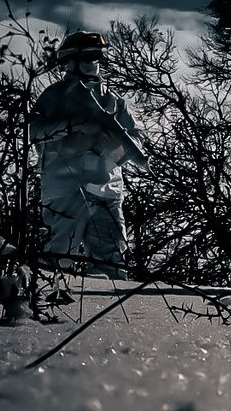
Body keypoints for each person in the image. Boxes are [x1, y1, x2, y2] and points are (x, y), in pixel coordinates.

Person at [29, 31, 147, 277]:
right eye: (88, 56)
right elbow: (34, 131)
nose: (94, 62)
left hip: (106, 190)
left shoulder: (115, 102)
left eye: (98, 56)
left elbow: (137, 141)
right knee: (57, 260)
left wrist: (113, 146)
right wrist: (69, 126)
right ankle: (51, 309)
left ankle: (109, 311)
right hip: (64, 190)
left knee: (113, 262)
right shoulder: (53, 97)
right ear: (71, 61)